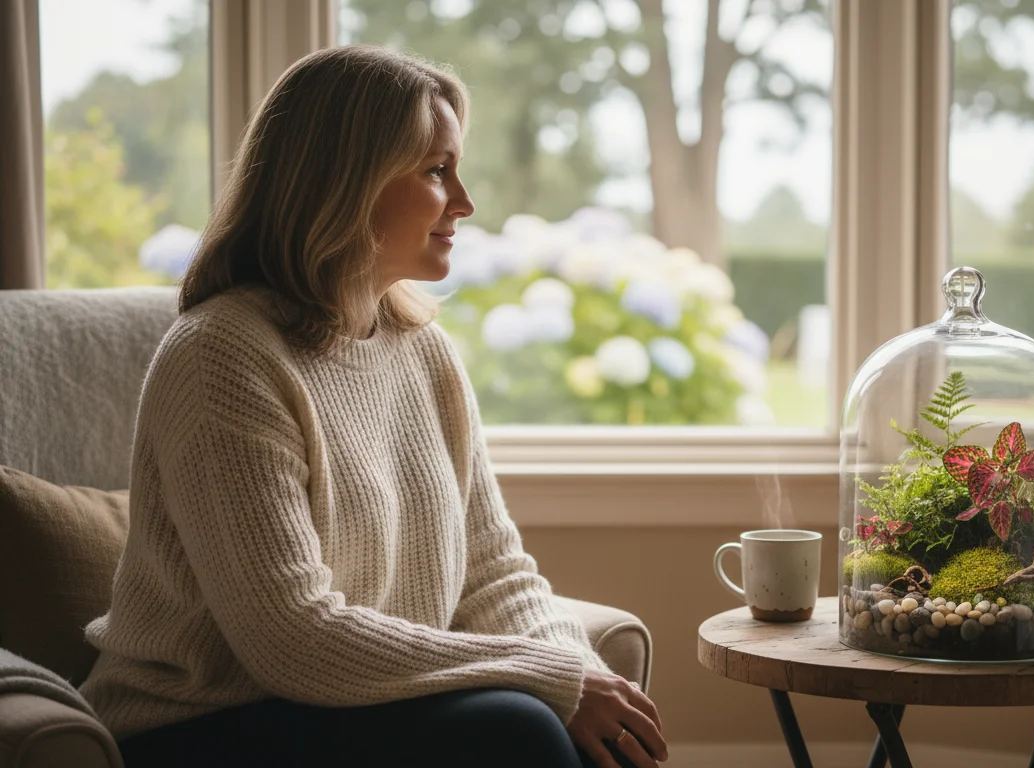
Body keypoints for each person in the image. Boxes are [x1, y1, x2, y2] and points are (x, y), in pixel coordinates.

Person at [77, 44, 667, 768]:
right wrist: (545, 676)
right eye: (435, 170)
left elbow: (494, 574)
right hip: (196, 727)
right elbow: (293, 639)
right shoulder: (221, 356)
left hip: (358, 712)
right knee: (518, 729)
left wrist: (582, 677)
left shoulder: (423, 350)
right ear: (346, 182)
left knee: (588, 734)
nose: (464, 202)